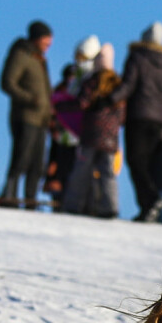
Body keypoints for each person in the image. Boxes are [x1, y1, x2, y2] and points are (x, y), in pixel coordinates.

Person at [111, 22, 162, 221]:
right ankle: (149, 208)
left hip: (139, 116)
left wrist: (110, 98)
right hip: (158, 122)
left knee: (135, 162)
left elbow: (129, 85)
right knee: (146, 164)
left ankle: (151, 200)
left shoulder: (137, 58)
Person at [61, 44, 124, 218]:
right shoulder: (118, 84)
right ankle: (109, 207)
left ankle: (73, 205)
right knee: (108, 173)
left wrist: (60, 106)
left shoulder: (93, 80)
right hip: (111, 136)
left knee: (82, 169)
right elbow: (122, 111)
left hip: (91, 133)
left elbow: (82, 102)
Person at [0, 20, 53, 207]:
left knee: (37, 164)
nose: (50, 43)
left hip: (41, 119)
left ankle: (31, 199)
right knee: (21, 158)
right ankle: (9, 195)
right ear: (37, 38)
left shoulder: (40, 59)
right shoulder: (21, 55)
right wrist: (31, 99)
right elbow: (7, 82)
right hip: (25, 117)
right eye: (47, 39)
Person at [46, 36, 100, 202]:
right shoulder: (75, 76)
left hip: (79, 133)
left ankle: (75, 201)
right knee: (63, 167)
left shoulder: (90, 76)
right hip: (65, 131)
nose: (78, 60)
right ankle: (63, 198)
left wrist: (62, 107)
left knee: (76, 170)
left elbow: (80, 102)